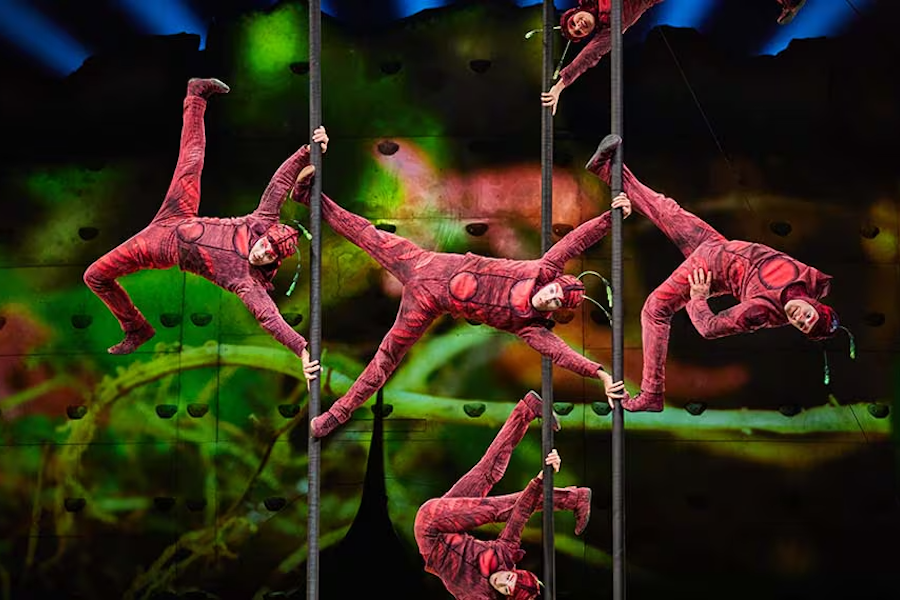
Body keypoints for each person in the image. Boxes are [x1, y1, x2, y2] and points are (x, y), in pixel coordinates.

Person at [290, 154, 630, 437]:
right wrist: (609, 216)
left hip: (430, 300)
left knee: (381, 364)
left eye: (558, 300)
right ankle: (310, 198)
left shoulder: (530, 323)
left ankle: (331, 419)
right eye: (558, 288)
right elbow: (571, 240)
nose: (552, 295)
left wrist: (598, 374)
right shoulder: (539, 265)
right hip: (429, 265)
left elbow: (563, 353)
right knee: (365, 237)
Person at [83, 78, 325, 382]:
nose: (262, 252)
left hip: (161, 245)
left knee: (94, 275)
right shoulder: (260, 222)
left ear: (274, 263)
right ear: (265, 235)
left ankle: (135, 328)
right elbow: (279, 183)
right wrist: (308, 150)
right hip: (179, 213)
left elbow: (269, 318)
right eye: (266, 245)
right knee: (191, 158)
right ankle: (196, 95)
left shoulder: (247, 282)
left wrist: (302, 350)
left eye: (269, 256)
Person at [585, 134, 840, 412]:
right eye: (807, 316)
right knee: (665, 209)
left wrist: (698, 297)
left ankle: (651, 394)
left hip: (708, 269)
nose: (799, 318)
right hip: (718, 246)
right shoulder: (810, 281)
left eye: (801, 325)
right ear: (814, 304)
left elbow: (710, 328)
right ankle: (608, 171)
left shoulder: (761, 312)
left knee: (655, 310)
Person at [414, 390, 592, 600]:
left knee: (494, 504)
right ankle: (526, 410)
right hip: (445, 521)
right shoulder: (505, 555)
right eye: (509, 578)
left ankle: (573, 498)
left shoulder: (477, 595)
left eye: (506, 588)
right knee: (490, 473)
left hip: (430, 529)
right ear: (513, 571)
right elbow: (520, 513)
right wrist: (543, 478)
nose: (502, 581)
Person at [540, 0, 808, 115]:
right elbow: (587, 58)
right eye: (576, 32)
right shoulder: (610, 29)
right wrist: (560, 86)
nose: (578, 27)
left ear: (574, 13)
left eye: (573, 23)